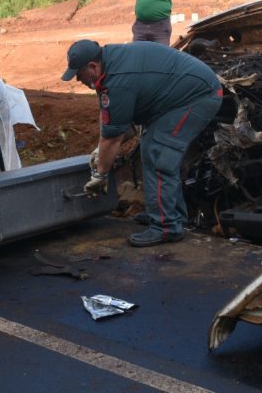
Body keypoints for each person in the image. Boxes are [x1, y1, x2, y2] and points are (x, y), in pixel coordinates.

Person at [62, 39, 222, 247]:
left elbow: (113, 138)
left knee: (158, 155)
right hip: (173, 98)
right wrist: (100, 150)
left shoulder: (118, 79)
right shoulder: (109, 64)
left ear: (92, 66)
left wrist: (100, 175)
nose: (77, 80)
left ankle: (167, 227)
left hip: (198, 96)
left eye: (78, 74)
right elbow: (120, 126)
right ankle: (170, 214)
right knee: (149, 146)